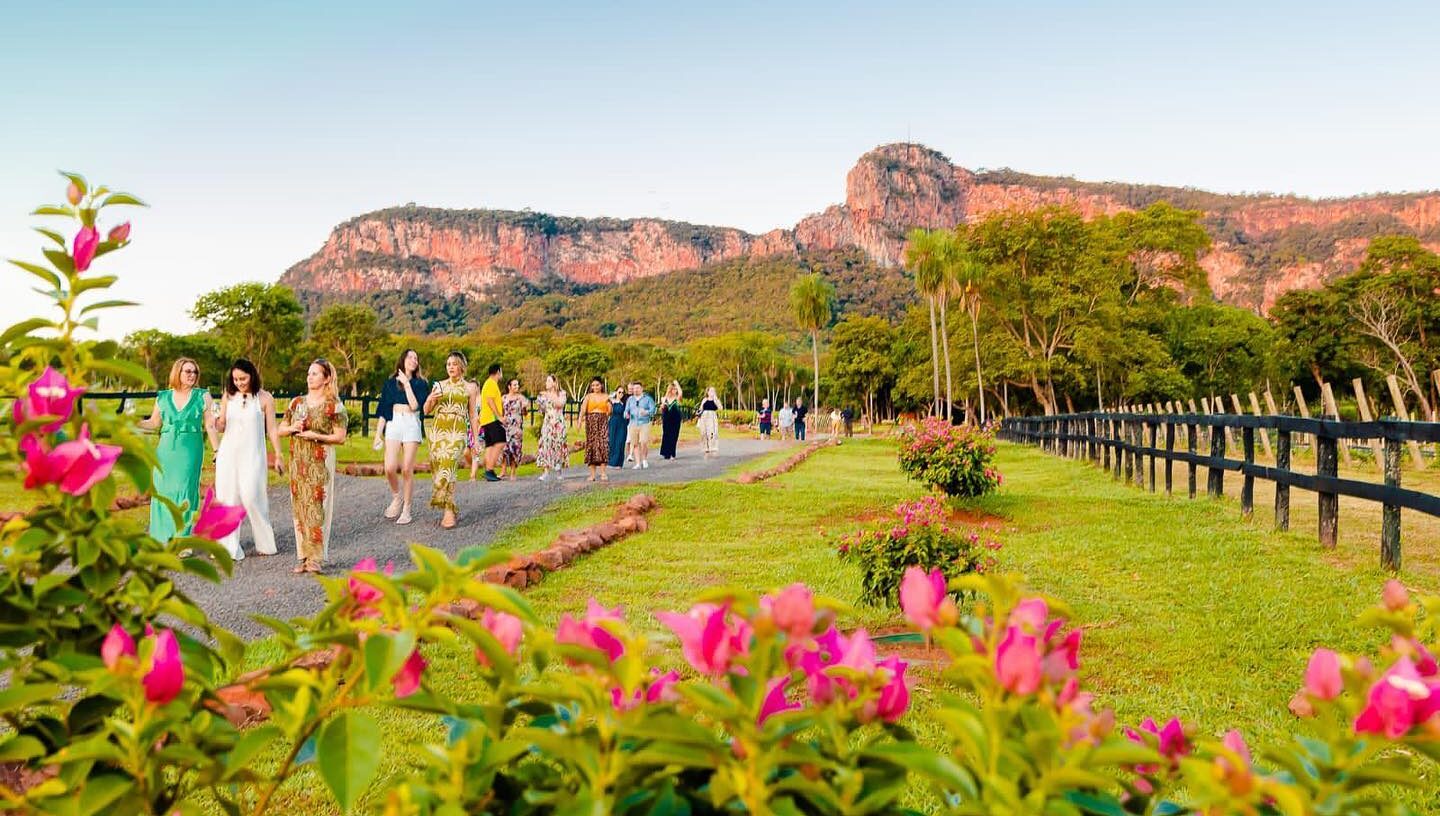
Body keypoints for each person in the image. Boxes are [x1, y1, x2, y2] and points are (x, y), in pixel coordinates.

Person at [277, 359, 347, 574]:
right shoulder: (296, 403)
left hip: (320, 459)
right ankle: (303, 556)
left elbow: (341, 437)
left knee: (318, 507)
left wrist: (316, 435)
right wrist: (292, 429)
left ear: (326, 378)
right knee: (300, 506)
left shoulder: (334, 406)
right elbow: (280, 429)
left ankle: (316, 557)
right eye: (309, 373)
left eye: (315, 374)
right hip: (298, 460)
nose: (310, 377)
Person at [140, 357, 217, 542]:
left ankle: (182, 539)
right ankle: (161, 537)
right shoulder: (163, 397)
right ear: (178, 373)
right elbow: (153, 423)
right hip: (165, 451)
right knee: (163, 491)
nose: (192, 375)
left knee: (185, 490)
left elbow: (210, 424)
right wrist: (130, 422)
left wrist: (217, 451)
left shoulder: (203, 396)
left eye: (195, 372)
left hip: (190, 450)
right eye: (188, 371)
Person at [213, 358, 283, 561]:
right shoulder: (228, 396)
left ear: (252, 375)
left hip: (253, 455)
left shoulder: (265, 398)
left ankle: (265, 543)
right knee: (228, 498)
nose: (239, 383)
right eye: (235, 379)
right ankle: (227, 547)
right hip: (228, 454)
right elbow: (221, 425)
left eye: (243, 378)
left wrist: (278, 454)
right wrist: (217, 422)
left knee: (253, 495)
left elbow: (271, 429)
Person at [372, 348, 430, 525]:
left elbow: (415, 406)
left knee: (406, 468)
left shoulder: (421, 383)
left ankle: (407, 509)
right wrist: (377, 435)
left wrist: (407, 384)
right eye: (410, 357)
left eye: (416, 358)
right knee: (389, 467)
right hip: (394, 422)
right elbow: (383, 409)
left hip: (411, 423)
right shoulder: (390, 383)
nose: (413, 360)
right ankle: (396, 497)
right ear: (403, 359)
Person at [423, 351, 478, 529]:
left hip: (458, 429)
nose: (450, 367)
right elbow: (426, 410)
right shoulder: (439, 385)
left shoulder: (470, 387)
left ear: (461, 366)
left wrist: (476, 440)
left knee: (448, 465)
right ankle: (449, 504)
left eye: (454, 364)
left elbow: (472, 414)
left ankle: (448, 510)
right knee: (440, 469)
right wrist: (431, 399)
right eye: (448, 364)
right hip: (438, 430)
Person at [477, 363, 506, 482]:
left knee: (490, 445)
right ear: (498, 371)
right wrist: (499, 416)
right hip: (491, 419)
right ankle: (489, 469)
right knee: (500, 442)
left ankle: (489, 470)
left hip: (486, 419)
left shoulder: (489, 383)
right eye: (501, 371)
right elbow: (490, 401)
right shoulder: (491, 384)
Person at [535, 375, 568, 480]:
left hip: (558, 423)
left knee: (558, 444)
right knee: (545, 444)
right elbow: (542, 410)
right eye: (546, 381)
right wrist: (540, 403)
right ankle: (545, 471)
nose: (546, 383)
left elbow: (559, 404)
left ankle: (558, 470)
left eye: (549, 381)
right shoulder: (544, 395)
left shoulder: (562, 393)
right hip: (548, 423)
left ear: (554, 383)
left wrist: (549, 395)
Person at [580, 377, 611, 482]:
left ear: (601, 385)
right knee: (592, 445)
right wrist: (580, 420)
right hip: (591, 423)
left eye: (597, 385)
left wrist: (609, 405)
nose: (595, 387)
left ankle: (603, 473)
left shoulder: (606, 396)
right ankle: (592, 475)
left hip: (602, 422)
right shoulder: (588, 397)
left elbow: (610, 411)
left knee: (603, 445)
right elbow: (583, 409)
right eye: (593, 385)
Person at [500, 378, 529, 481]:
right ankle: (503, 471)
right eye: (514, 385)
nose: (517, 387)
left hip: (516, 427)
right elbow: (501, 412)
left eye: (517, 385)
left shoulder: (521, 398)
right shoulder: (503, 398)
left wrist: (524, 408)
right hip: (506, 426)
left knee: (514, 450)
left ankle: (513, 472)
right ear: (509, 386)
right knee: (504, 449)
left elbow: (525, 414)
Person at [624, 381, 657, 469]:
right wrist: (626, 414)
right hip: (633, 423)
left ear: (642, 389)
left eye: (637, 388)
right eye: (634, 388)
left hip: (644, 423)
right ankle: (638, 463)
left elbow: (653, 410)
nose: (635, 390)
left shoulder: (648, 399)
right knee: (634, 443)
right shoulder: (630, 399)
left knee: (643, 442)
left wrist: (646, 412)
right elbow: (626, 410)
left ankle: (644, 459)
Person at [659, 380, 683, 460]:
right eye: (673, 389)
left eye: (675, 389)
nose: (675, 391)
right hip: (666, 419)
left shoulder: (677, 399)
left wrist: (677, 384)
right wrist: (662, 406)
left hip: (675, 418)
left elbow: (680, 393)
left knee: (674, 435)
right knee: (666, 435)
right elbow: (661, 409)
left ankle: (672, 453)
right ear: (670, 390)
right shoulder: (664, 399)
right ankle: (666, 453)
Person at [696, 386, 722, 458]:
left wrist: (715, 399)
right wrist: (698, 414)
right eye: (711, 391)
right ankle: (705, 448)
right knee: (703, 433)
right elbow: (701, 408)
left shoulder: (716, 400)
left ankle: (713, 448)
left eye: (713, 391)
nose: (712, 392)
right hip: (704, 417)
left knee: (712, 433)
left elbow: (720, 408)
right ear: (707, 392)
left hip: (712, 417)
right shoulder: (704, 400)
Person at [606, 386, 628, 469]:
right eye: (619, 392)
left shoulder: (625, 403)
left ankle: (618, 463)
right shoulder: (612, 402)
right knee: (612, 442)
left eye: (622, 393)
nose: (621, 394)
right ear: (616, 392)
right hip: (613, 423)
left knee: (620, 442)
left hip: (622, 424)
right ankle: (611, 462)